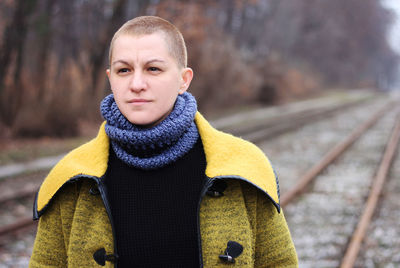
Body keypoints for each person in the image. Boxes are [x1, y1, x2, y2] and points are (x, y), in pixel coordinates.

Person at [29, 16, 298, 267]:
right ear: (111, 79)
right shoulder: (71, 178)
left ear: (184, 80)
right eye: (124, 70)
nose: (136, 84)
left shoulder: (244, 168)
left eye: (153, 69)